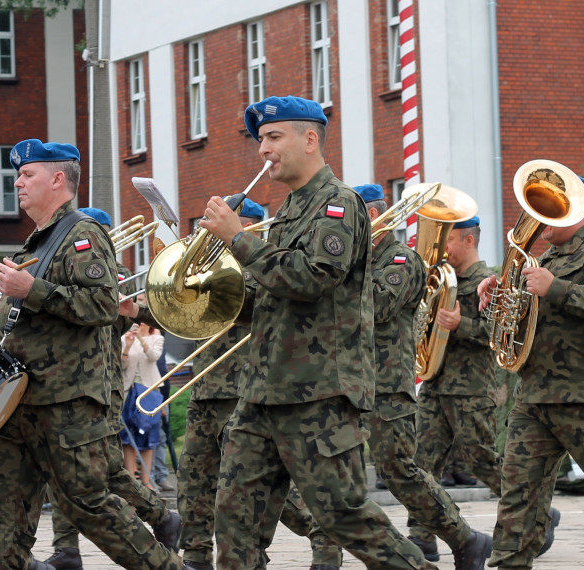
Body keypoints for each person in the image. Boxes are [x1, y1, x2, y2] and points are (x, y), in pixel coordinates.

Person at [199, 95, 435, 569]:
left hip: (319, 393)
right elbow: (273, 296)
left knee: (344, 516)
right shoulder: (288, 210)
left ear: (309, 140)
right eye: (260, 140)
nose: (262, 150)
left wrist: (238, 240)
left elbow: (310, 278)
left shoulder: (338, 205)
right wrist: (212, 294)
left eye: (273, 137)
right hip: (264, 390)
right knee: (234, 520)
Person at [0, 139, 186, 570]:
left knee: (89, 505)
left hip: (66, 401)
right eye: (18, 175)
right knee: (1, 516)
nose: (17, 182)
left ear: (58, 179)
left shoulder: (82, 234)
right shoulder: (36, 243)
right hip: (21, 401)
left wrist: (29, 289)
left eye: (27, 175)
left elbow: (100, 305)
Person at [281, 184, 492, 569]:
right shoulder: (352, 262)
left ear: (373, 216)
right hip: (344, 383)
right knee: (335, 478)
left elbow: (375, 306)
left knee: (399, 472)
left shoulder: (401, 261)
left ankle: (465, 538)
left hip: (386, 386)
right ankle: (327, 557)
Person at [478, 172, 584, 568]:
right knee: (517, 503)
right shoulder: (544, 259)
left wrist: (556, 289)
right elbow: (509, 331)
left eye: (550, 207)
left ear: (574, 208)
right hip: (534, 400)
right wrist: (495, 301)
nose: (538, 216)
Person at [42, 207, 181, 570]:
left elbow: (133, 315)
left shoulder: (114, 275)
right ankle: (66, 548)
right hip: (69, 383)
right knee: (70, 468)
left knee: (104, 472)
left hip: (99, 384)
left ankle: (160, 520)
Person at [407, 215, 506, 559]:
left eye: (448, 240)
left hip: (471, 387)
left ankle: (533, 509)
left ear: (468, 241)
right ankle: (421, 536)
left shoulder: (491, 281)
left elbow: (499, 335)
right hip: (435, 383)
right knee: (421, 463)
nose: (442, 248)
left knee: (480, 460)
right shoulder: (439, 279)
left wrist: (460, 323)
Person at [176, 199, 263, 570]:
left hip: (240, 390)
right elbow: (182, 314)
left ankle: (320, 537)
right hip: (205, 387)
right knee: (193, 477)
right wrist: (140, 310)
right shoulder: (207, 266)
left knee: (243, 485)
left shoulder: (260, 266)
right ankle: (196, 554)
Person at [120, 320, 165, 488]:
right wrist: (127, 346)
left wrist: (141, 339)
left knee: (149, 435)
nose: (141, 323)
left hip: (149, 391)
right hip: (128, 390)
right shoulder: (125, 337)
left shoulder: (156, 337)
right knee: (127, 437)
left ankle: (147, 481)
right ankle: (131, 479)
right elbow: (122, 365)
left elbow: (154, 357)